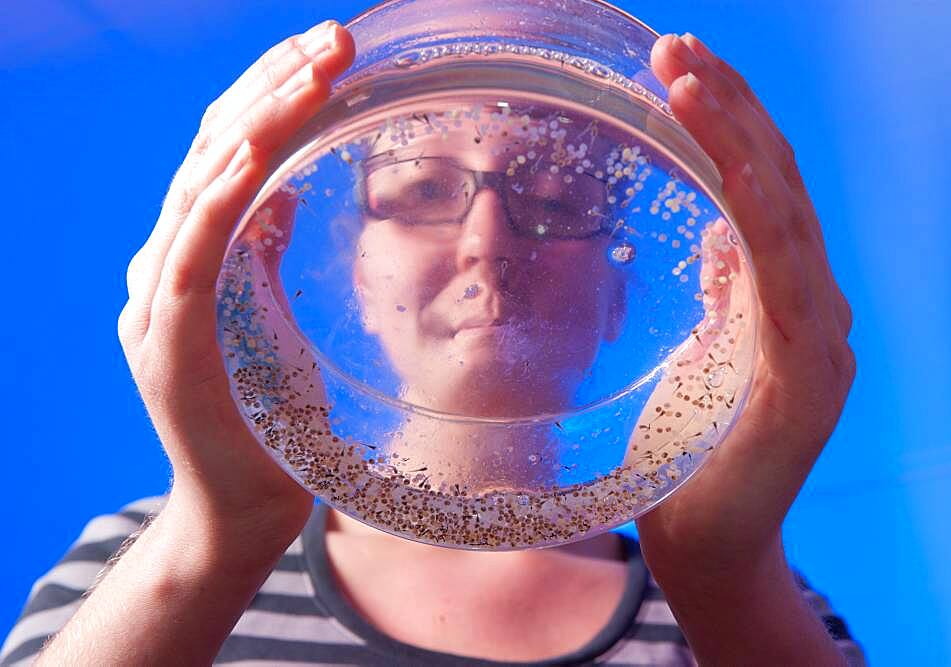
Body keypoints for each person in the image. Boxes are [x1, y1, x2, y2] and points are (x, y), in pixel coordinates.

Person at [0, 19, 865, 666]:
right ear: (354, 279)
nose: (488, 240)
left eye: (559, 200)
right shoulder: (152, 568)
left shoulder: (751, 611)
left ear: (617, 296)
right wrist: (215, 533)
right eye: (421, 192)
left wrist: (722, 575)